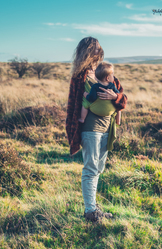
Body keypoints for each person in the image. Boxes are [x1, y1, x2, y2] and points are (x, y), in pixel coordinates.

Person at [66, 37, 127, 222]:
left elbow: (123, 100)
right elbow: (73, 105)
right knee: (91, 168)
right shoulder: (80, 77)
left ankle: (93, 208)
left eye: (99, 50)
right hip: (91, 129)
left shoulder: (106, 73)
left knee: (98, 168)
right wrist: (74, 128)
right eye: (95, 50)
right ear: (87, 52)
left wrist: (114, 96)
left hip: (107, 129)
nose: (98, 52)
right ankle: (90, 211)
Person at [78, 61, 121, 126]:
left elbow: (92, 98)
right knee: (119, 107)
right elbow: (119, 94)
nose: (113, 76)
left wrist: (86, 95)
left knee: (85, 103)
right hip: (109, 111)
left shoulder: (95, 86)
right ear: (107, 78)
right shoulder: (112, 86)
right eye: (112, 75)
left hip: (96, 110)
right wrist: (115, 97)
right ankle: (118, 121)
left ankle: (82, 118)